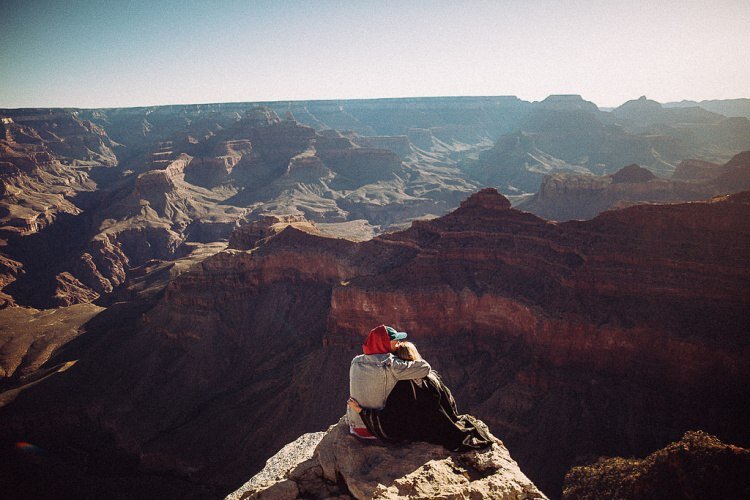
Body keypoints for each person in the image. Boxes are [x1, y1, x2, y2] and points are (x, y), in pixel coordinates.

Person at [348, 342, 493, 452]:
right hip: (444, 424)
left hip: (420, 430)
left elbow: (389, 420)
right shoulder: (431, 378)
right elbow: (449, 403)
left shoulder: (402, 387)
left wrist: (362, 411)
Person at [347, 325, 431, 439]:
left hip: (355, 427)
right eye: (395, 341)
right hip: (377, 429)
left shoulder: (356, 361)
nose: (398, 343)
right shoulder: (391, 364)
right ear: (384, 343)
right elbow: (425, 368)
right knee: (410, 383)